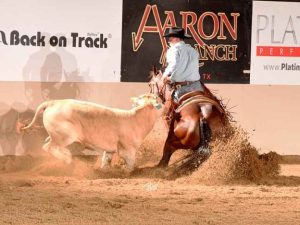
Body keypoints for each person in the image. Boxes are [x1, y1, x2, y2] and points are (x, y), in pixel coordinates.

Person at [162, 27, 212, 150]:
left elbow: (173, 65)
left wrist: (166, 76)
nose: (169, 40)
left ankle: (173, 137)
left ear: (175, 38)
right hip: (196, 86)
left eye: (170, 38)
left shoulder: (173, 50)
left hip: (182, 89)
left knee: (169, 111)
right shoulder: (193, 51)